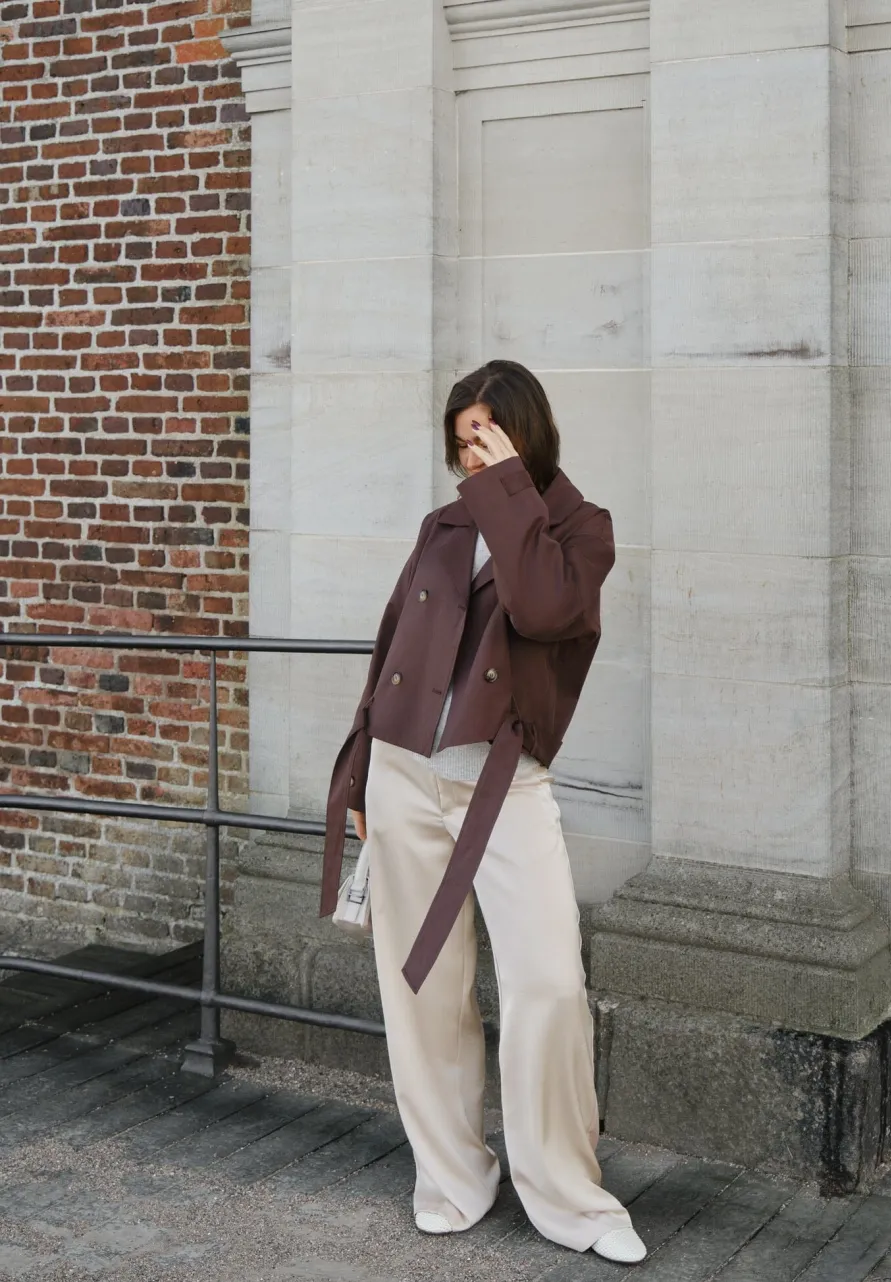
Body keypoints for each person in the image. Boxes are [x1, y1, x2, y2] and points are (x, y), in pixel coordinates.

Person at [320, 359, 647, 1265]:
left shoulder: (580, 529)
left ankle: (571, 1200)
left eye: (486, 433)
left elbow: (543, 610)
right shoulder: (442, 525)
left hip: (503, 784)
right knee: (421, 987)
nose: (471, 451)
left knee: (548, 986)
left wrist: (507, 492)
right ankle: (452, 1177)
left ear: (524, 431)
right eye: (460, 437)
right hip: (403, 776)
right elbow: (391, 648)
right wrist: (357, 775)